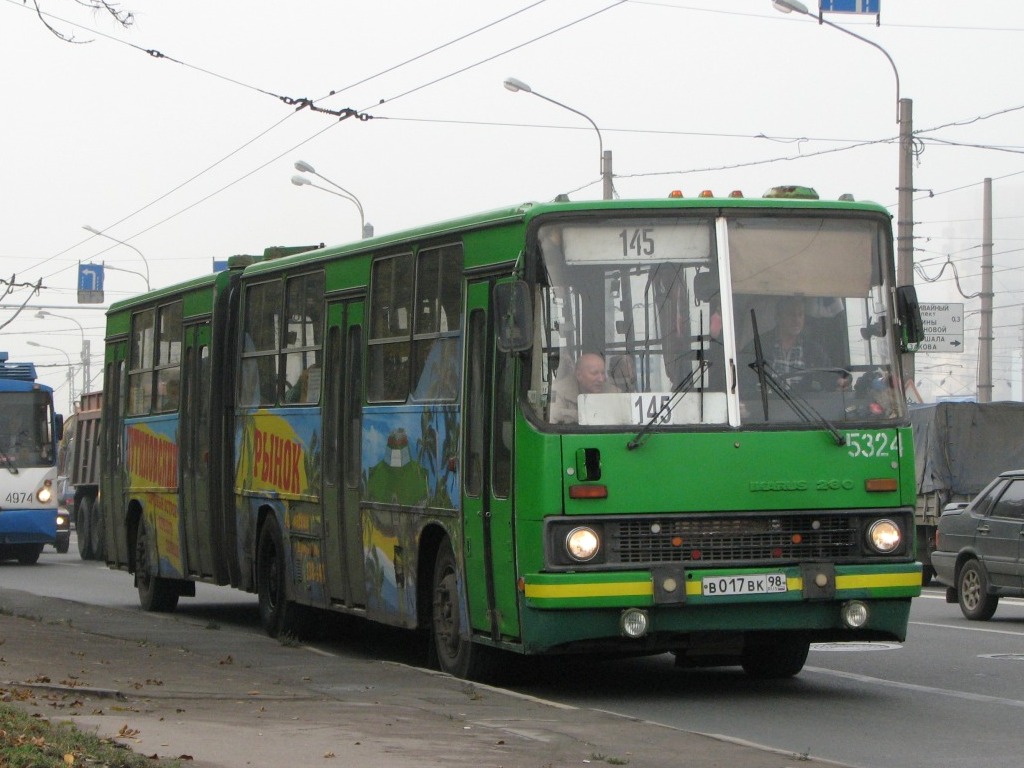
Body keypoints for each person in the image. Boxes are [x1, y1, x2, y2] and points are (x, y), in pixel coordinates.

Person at [742, 296, 847, 392]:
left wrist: (841, 381)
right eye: (791, 314)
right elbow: (743, 378)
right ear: (778, 317)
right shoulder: (759, 346)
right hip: (768, 410)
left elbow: (829, 376)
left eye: (800, 315)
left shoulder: (813, 349)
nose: (796, 320)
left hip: (803, 410)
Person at [550, 352, 612, 423]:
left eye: (603, 373)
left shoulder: (614, 392)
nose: (601, 379)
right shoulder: (558, 391)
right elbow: (554, 417)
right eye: (594, 373)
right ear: (579, 375)